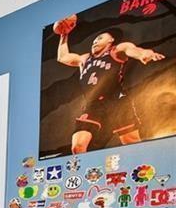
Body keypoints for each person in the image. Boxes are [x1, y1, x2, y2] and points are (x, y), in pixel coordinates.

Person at [55, 19, 165, 153]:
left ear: (110, 40)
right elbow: (62, 57)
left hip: (117, 102)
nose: (95, 42)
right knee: (77, 146)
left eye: (99, 38)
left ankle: (142, 169)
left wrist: (145, 54)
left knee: (131, 142)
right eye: (94, 40)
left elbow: (133, 50)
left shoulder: (116, 50)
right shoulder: (84, 59)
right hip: (93, 105)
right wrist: (64, 35)